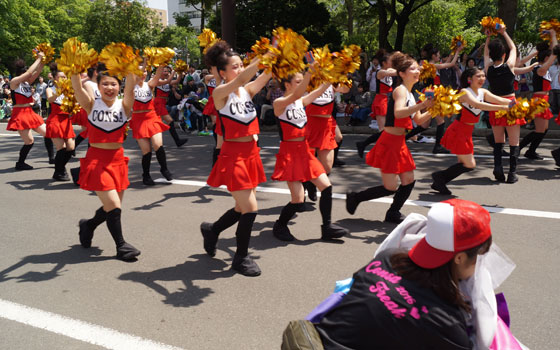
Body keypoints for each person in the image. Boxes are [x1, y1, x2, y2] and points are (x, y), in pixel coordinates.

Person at [315, 199, 493, 350]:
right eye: (480, 257)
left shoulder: (387, 258)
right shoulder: (446, 322)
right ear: (460, 258)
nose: (479, 266)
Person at [199, 41, 272, 277]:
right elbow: (241, 80)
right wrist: (266, 54)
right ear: (222, 72)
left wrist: (279, 56)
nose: (240, 70)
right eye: (235, 66)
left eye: (242, 65)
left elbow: (265, 75)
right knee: (250, 208)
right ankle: (241, 258)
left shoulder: (246, 91)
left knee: (242, 207)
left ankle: (213, 229)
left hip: (251, 154)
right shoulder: (220, 93)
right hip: (233, 156)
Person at [346, 52, 433, 223]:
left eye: (418, 68)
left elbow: (419, 121)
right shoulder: (400, 90)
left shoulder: (411, 93)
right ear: (402, 73)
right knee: (390, 187)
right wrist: (423, 105)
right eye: (413, 68)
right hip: (389, 142)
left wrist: (435, 109)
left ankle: (393, 212)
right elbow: (398, 112)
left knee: (409, 180)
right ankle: (355, 197)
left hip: (399, 142)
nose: (417, 71)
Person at [71, 63, 140, 261]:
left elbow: (131, 89)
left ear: (119, 87)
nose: (109, 88)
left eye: (114, 84)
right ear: (98, 87)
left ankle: (89, 225)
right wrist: (73, 66)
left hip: (117, 160)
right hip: (97, 160)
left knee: (113, 207)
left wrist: (129, 64)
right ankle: (121, 246)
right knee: (114, 205)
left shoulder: (125, 105)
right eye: (105, 84)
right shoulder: (91, 104)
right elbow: (77, 87)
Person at [271, 68, 349, 242]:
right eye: (298, 82)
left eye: (302, 82)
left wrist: (330, 77)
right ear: (287, 84)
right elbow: (299, 94)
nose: (302, 86)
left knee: (326, 187)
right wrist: (309, 74)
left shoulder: (301, 101)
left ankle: (327, 227)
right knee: (298, 200)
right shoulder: (280, 103)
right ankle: (280, 225)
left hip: (305, 151)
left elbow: (318, 91)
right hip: (290, 154)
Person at [431, 67, 511, 194]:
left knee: (464, 164)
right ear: (469, 79)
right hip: (458, 130)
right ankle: (439, 177)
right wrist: (503, 108)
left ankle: (440, 180)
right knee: (470, 164)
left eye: (483, 76)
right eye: (478, 76)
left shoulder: (483, 92)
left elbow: (499, 99)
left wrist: (516, 103)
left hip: (468, 132)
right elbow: (478, 105)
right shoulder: (464, 92)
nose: (482, 79)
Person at [484, 24, 529, 183]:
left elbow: (486, 54)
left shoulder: (488, 69)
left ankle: (498, 168)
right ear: (503, 55)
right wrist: (504, 32)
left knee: (498, 141)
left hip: (496, 105)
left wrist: (488, 37)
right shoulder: (509, 66)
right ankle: (512, 173)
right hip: (510, 103)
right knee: (514, 141)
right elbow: (513, 47)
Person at [405, 44, 463, 154]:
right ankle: (437, 146)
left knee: (424, 125)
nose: (439, 56)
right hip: (431, 94)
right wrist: (457, 51)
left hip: (429, 93)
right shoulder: (431, 66)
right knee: (440, 122)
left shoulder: (429, 65)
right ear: (433, 55)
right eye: (438, 55)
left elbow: (448, 62)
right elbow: (450, 64)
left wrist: (455, 51)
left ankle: (403, 138)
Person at [7, 53, 55, 170]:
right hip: (20, 113)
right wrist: (38, 59)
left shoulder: (26, 83)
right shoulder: (14, 82)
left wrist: (43, 61)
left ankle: (51, 158)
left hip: (29, 112)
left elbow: (36, 72)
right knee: (29, 141)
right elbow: (29, 73)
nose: (28, 74)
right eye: (25, 72)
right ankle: (20, 163)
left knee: (48, 133)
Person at [131, 64, 174, 186]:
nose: (143, 73)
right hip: (138, 120)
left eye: (145, 71)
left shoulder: (149, 84)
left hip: (151, 117)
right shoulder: (130, 87)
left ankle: (164, 169)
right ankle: (146, 175)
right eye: (140, 71)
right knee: (146, 151)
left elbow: (158, 75)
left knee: (158, 145)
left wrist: (160, 63)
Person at [518, 36, 559, 160]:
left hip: (544, 100)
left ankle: (531, 151)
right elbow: (554, 53)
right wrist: (553, 37)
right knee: (540, 130)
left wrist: (553, 37)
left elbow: (553, 51)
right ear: (546, 58)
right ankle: (518, 148)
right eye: (549, 58)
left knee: (544, 130)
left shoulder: (544, 70)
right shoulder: (539, 69)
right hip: (538, 101)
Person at [356, 50, 396, 158]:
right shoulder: (380, 72)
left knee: (388, 130)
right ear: (384, 62)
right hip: (381, 100)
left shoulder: (388, 70)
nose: (391, 63)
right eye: (390, 61)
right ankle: (367, 146)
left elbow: (394, 70)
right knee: (383, 130)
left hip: (387, 100)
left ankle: (367, 146)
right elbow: (394, 72)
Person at [45, 64, 76, 181]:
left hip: (66, 120)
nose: (64, 79)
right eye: (61, 77)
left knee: (71, 147)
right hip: (55, 120)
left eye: (65, 77)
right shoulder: (50, 89)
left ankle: (59, 169)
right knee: (61, 148)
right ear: (55, 78)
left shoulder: (69, 90)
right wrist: (59, 91)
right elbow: (50, 99)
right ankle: (60, 171)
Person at [154, 66, 188, 147]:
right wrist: (173, 71)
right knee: (170, 121)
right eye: (164, 71)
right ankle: (177, 141)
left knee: (155, 123)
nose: (166, 73)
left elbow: (177, 81)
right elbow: (169, 80)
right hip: (158, 103)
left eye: (167, 71)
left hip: (162, 103)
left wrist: (180, 72)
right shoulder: (157, 80)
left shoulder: (166, 81)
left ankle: (145, 137)